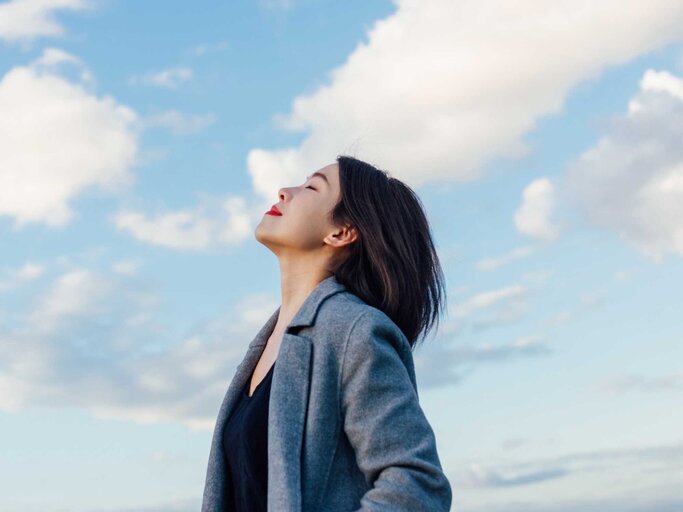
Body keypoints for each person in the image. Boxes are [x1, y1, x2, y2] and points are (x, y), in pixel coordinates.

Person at [201, 155, 452, 511]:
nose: (285, 191)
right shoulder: (267, 344)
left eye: (311, 186)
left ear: (341, 232)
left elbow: (417, 483)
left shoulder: (354, 330)